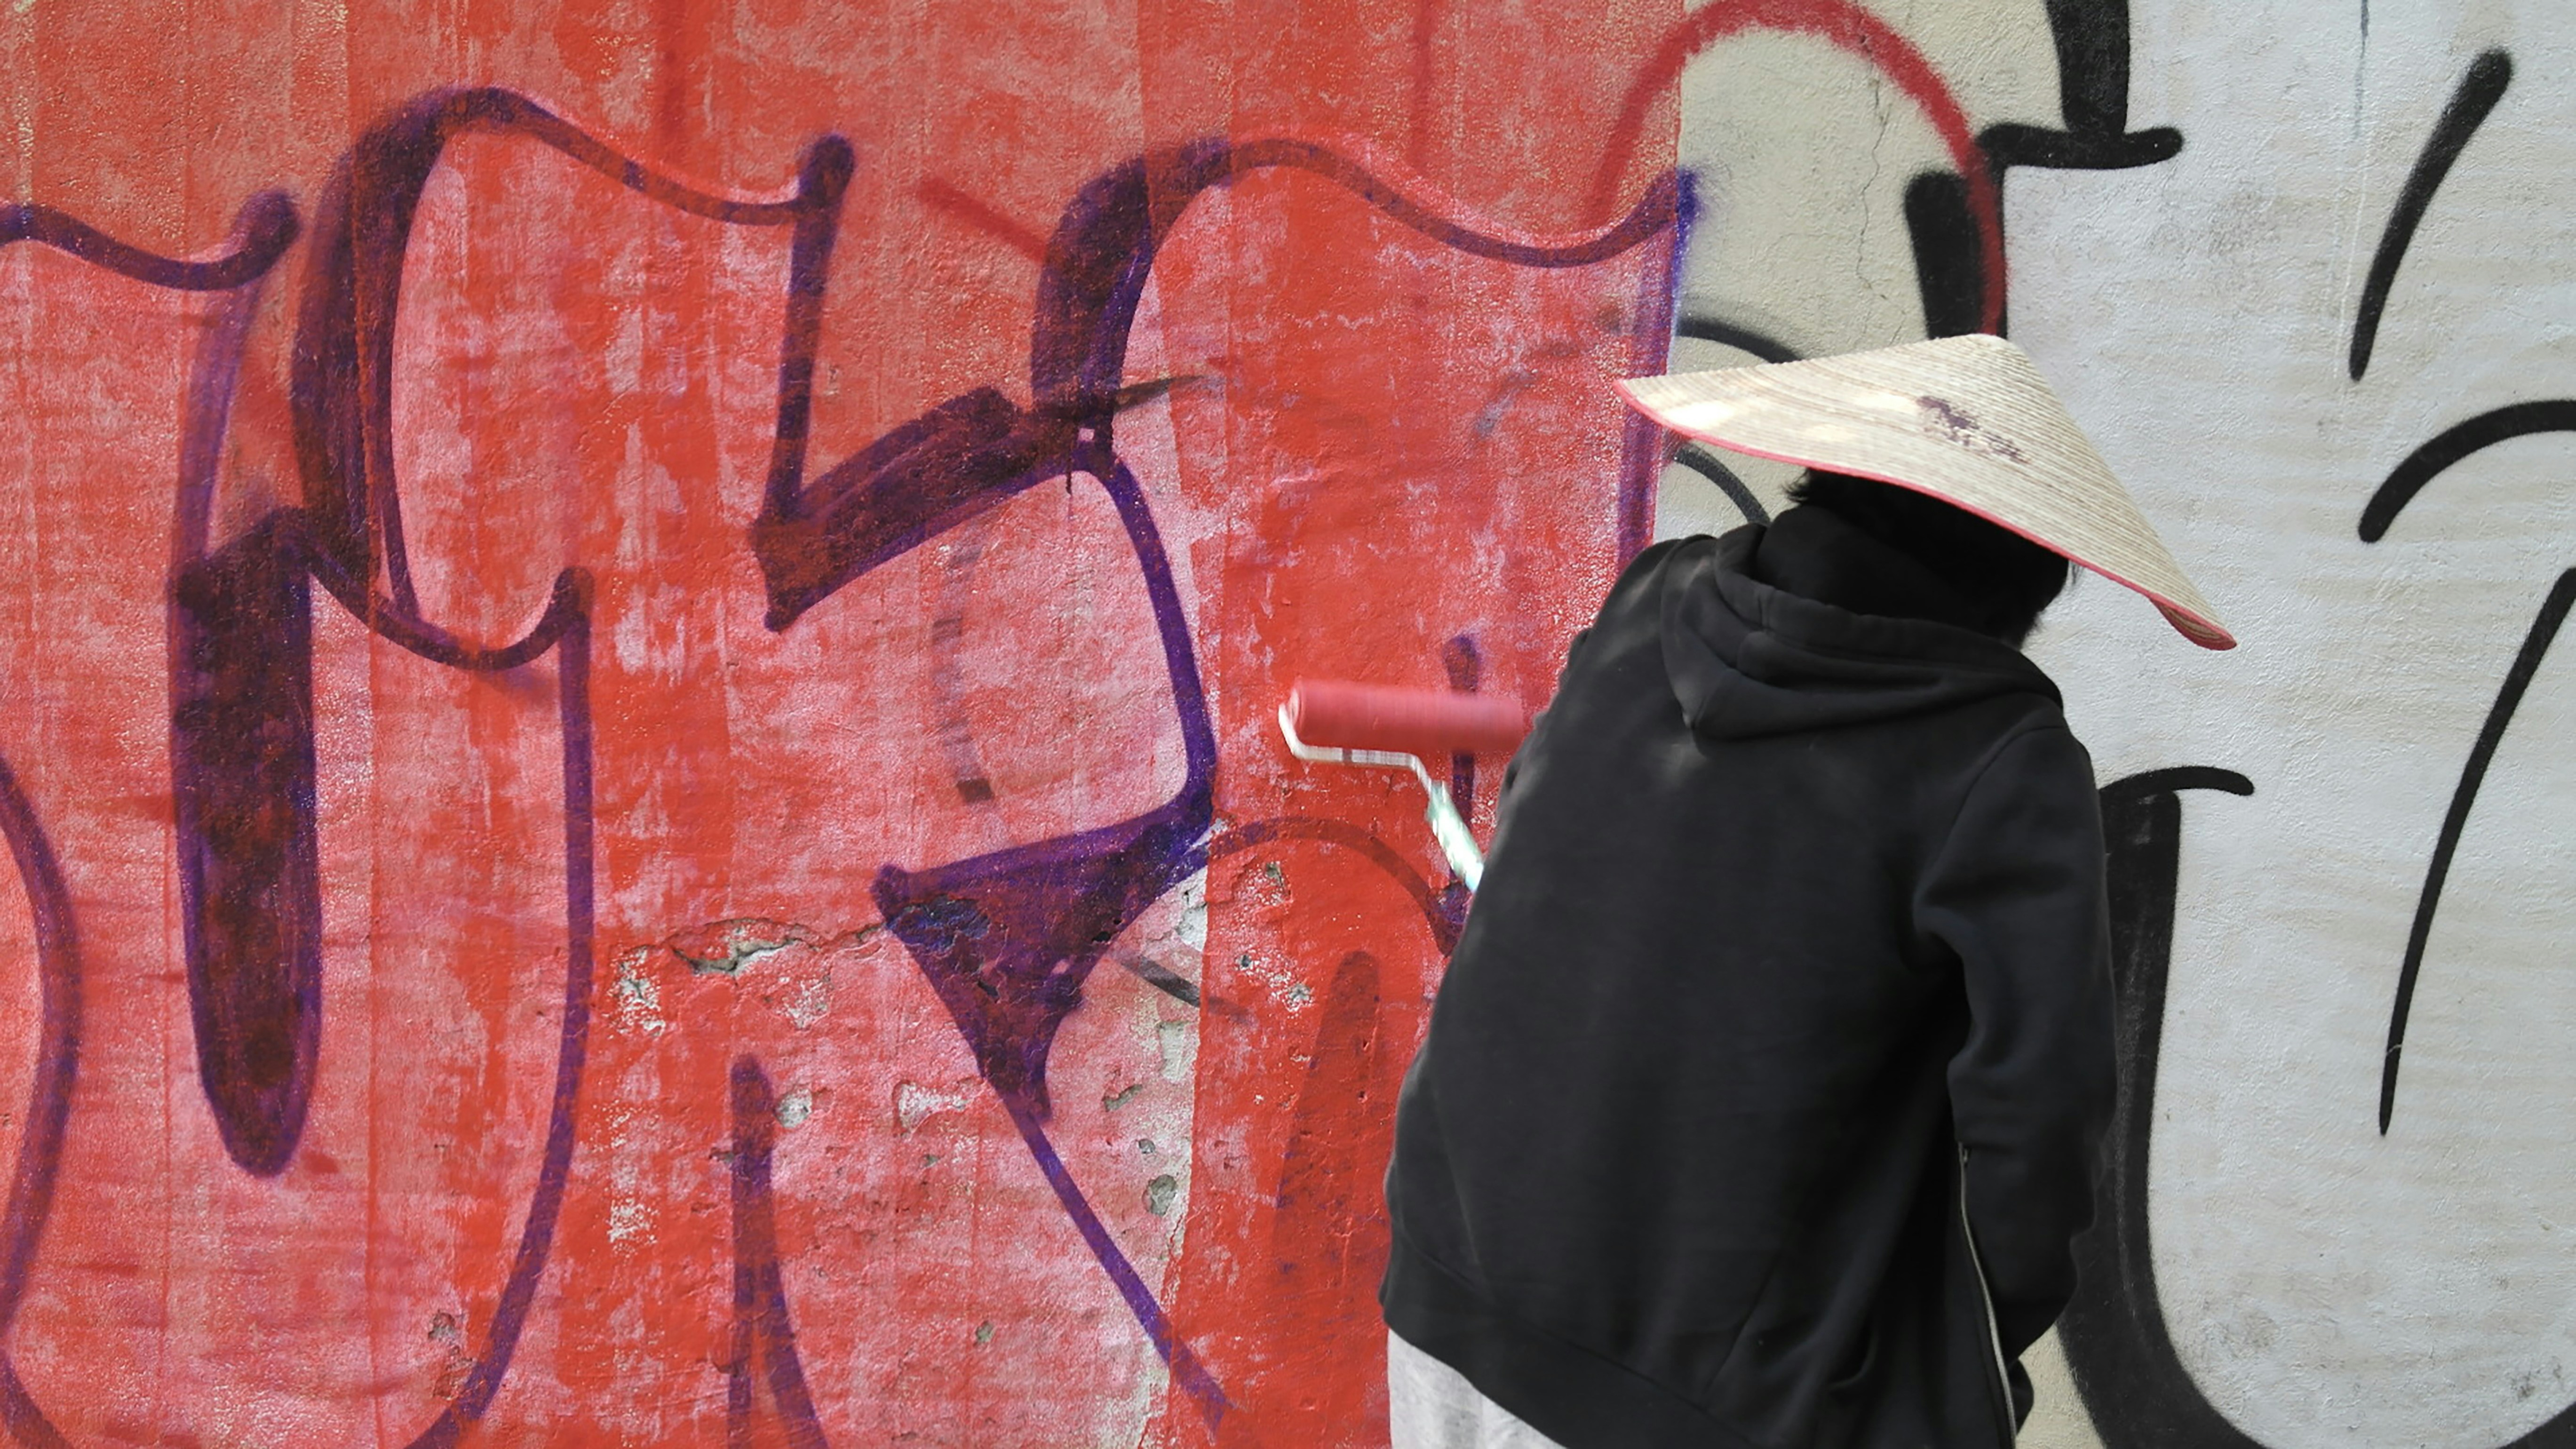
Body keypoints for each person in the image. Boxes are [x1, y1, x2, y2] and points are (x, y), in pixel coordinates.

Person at [1379, 333, 2233, 1449]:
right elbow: (2037, 1134)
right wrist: (1913, 1368)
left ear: (1821, 480)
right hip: (1710, 1403)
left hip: (1451, 1287)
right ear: (2021, 582)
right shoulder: (1995, 753)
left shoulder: (1655, 598)